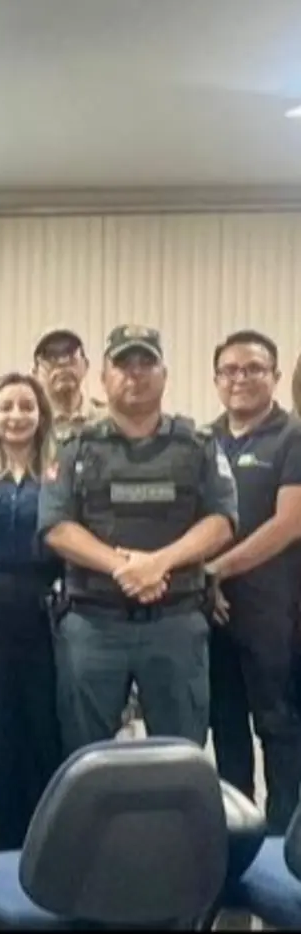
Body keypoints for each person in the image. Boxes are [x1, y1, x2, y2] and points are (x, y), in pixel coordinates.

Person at [40, 325, 237, 754]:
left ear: (165, 375)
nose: (135, 373)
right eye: (124, 364)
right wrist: (123, 566)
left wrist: (159, 563)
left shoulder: (198, 445)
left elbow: (222, 520)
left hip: (175, 623)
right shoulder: (75, 448)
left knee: (181, 755)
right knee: (85, 757)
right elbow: (55, 526)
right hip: (94, 625)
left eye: (147, 362)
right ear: (103, 377)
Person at [203, 330, 301, 832]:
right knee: (226, 733)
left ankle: (284, 845)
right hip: (212, 612)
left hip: (274, 616)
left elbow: (290, 523)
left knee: (279, 731)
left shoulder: (293, 437)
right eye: (230, 370)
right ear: (216, 379)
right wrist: (204, 583)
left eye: (254, 369)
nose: (240, 379)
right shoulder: (203, 440)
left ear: (275, 377)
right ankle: (235, 840)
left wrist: (216, 570)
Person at [0, 373, 62, 849]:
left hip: (43, 612)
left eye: (26, 406)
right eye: (6, 406)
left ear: (41, 414)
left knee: (42, 720)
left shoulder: (60, 471)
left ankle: (43, 838)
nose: (16, 416)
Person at [32, 328, 106, 431]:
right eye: (51, 358)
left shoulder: (108, 420)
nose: (63, 364)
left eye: (71, 356)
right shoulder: (31, 424)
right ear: (35, 374)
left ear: (86, 365)